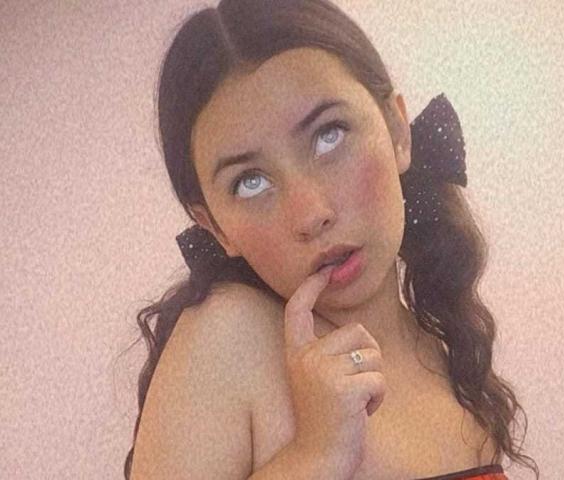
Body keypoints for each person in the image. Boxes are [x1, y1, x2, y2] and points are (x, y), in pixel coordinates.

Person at [122, 1, 540, 479]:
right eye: (250, 182)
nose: (311, 214)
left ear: (397, 132)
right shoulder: (228, 335)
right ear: (214, 226)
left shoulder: (444, 349)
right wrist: (315, 454)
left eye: (329, 136)